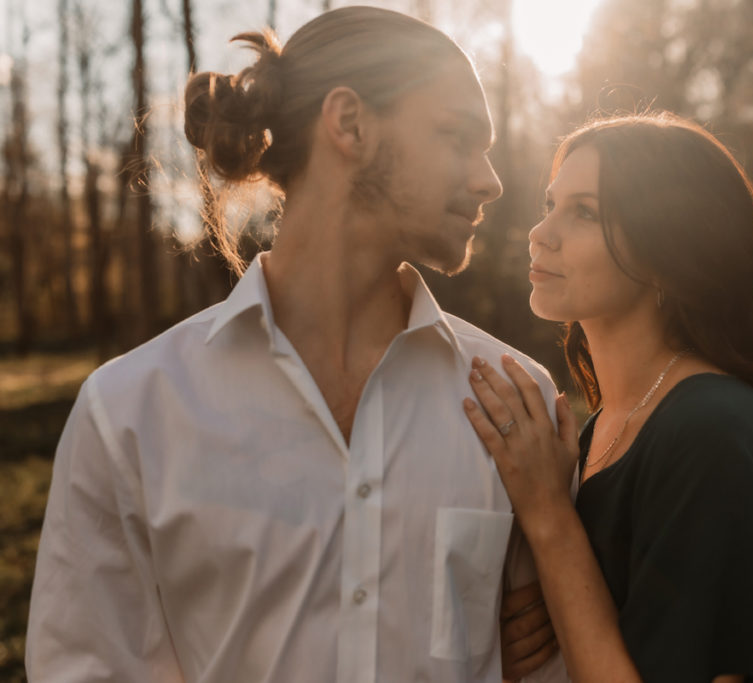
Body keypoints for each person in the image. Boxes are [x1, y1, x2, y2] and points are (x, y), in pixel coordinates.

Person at [26, 7, 568, 682]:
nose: (491, 179)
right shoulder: (130, 414)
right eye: (457, 136)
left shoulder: (519, 405)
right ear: (349, 124)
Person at [470, 112, 753, 682]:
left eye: (584, 212)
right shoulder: (607, 426)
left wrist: (549, 516)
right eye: (550, 205)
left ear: (669, 249)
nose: (540, 233)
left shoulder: (716, 434)